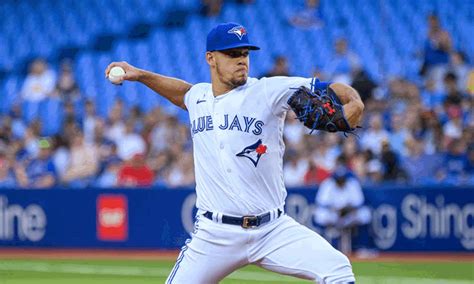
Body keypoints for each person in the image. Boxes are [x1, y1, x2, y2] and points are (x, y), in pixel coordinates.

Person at [105, 22, 364, 283]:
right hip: (214, 235)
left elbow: (332, 89)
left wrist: (355, 101)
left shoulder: (267, 90)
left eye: (245, 53)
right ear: (210, 58)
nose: (241, 60)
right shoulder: (198, 97)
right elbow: (183, 92)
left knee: (338, 269)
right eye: (232, 54)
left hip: (272, 230)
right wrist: (139, 75)